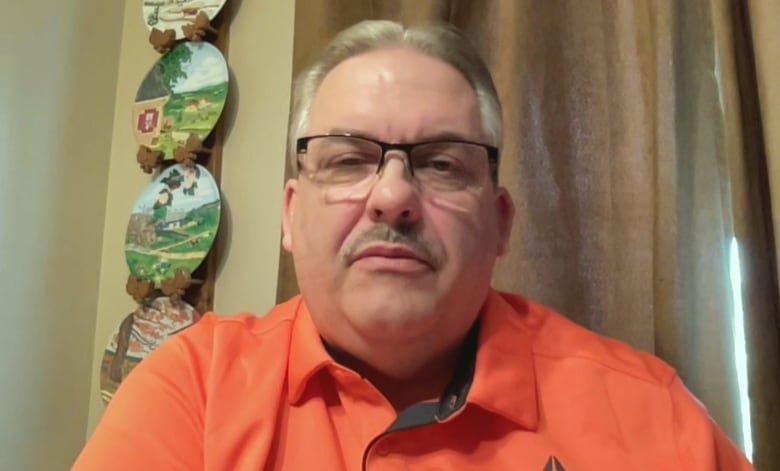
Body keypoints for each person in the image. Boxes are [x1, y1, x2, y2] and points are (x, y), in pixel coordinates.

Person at [74, 20, 754, 470]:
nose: (392, 196)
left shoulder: (651, 420)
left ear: (500, 224)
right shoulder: (190, 391)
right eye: (346, 159)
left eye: (441, 162)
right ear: (290, 215)